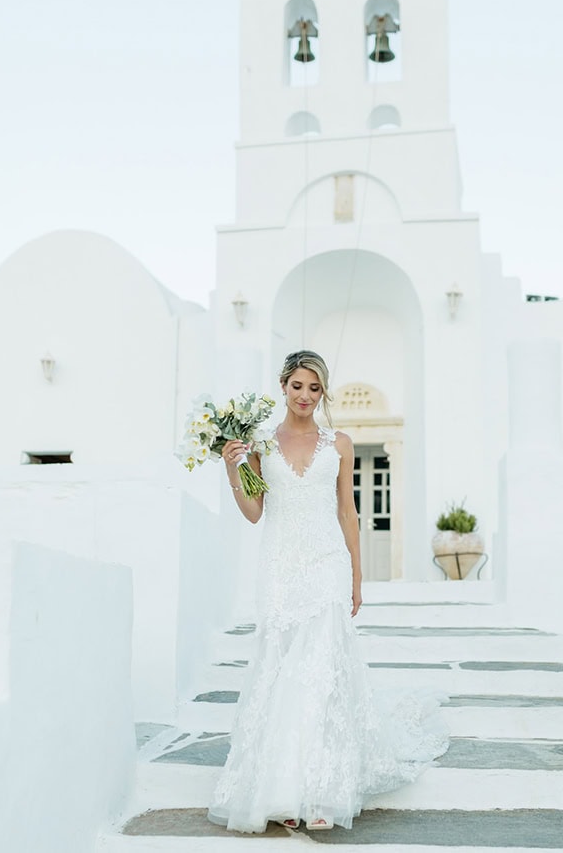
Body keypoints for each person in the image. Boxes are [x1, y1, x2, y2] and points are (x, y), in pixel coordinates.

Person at [207, 350, 449, 833]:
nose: (305, 396)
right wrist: (233, 468)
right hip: (279, 566)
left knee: (319, 672)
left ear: (323, 393)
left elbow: (348, 512)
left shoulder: (338, 443)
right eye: (298, 386)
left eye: (314, 388)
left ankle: (322, 788)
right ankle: (282, 788)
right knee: (283, 671)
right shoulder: (259, 445)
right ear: (282, 386)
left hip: (326, 565)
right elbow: (254, 513)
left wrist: (357, 574)